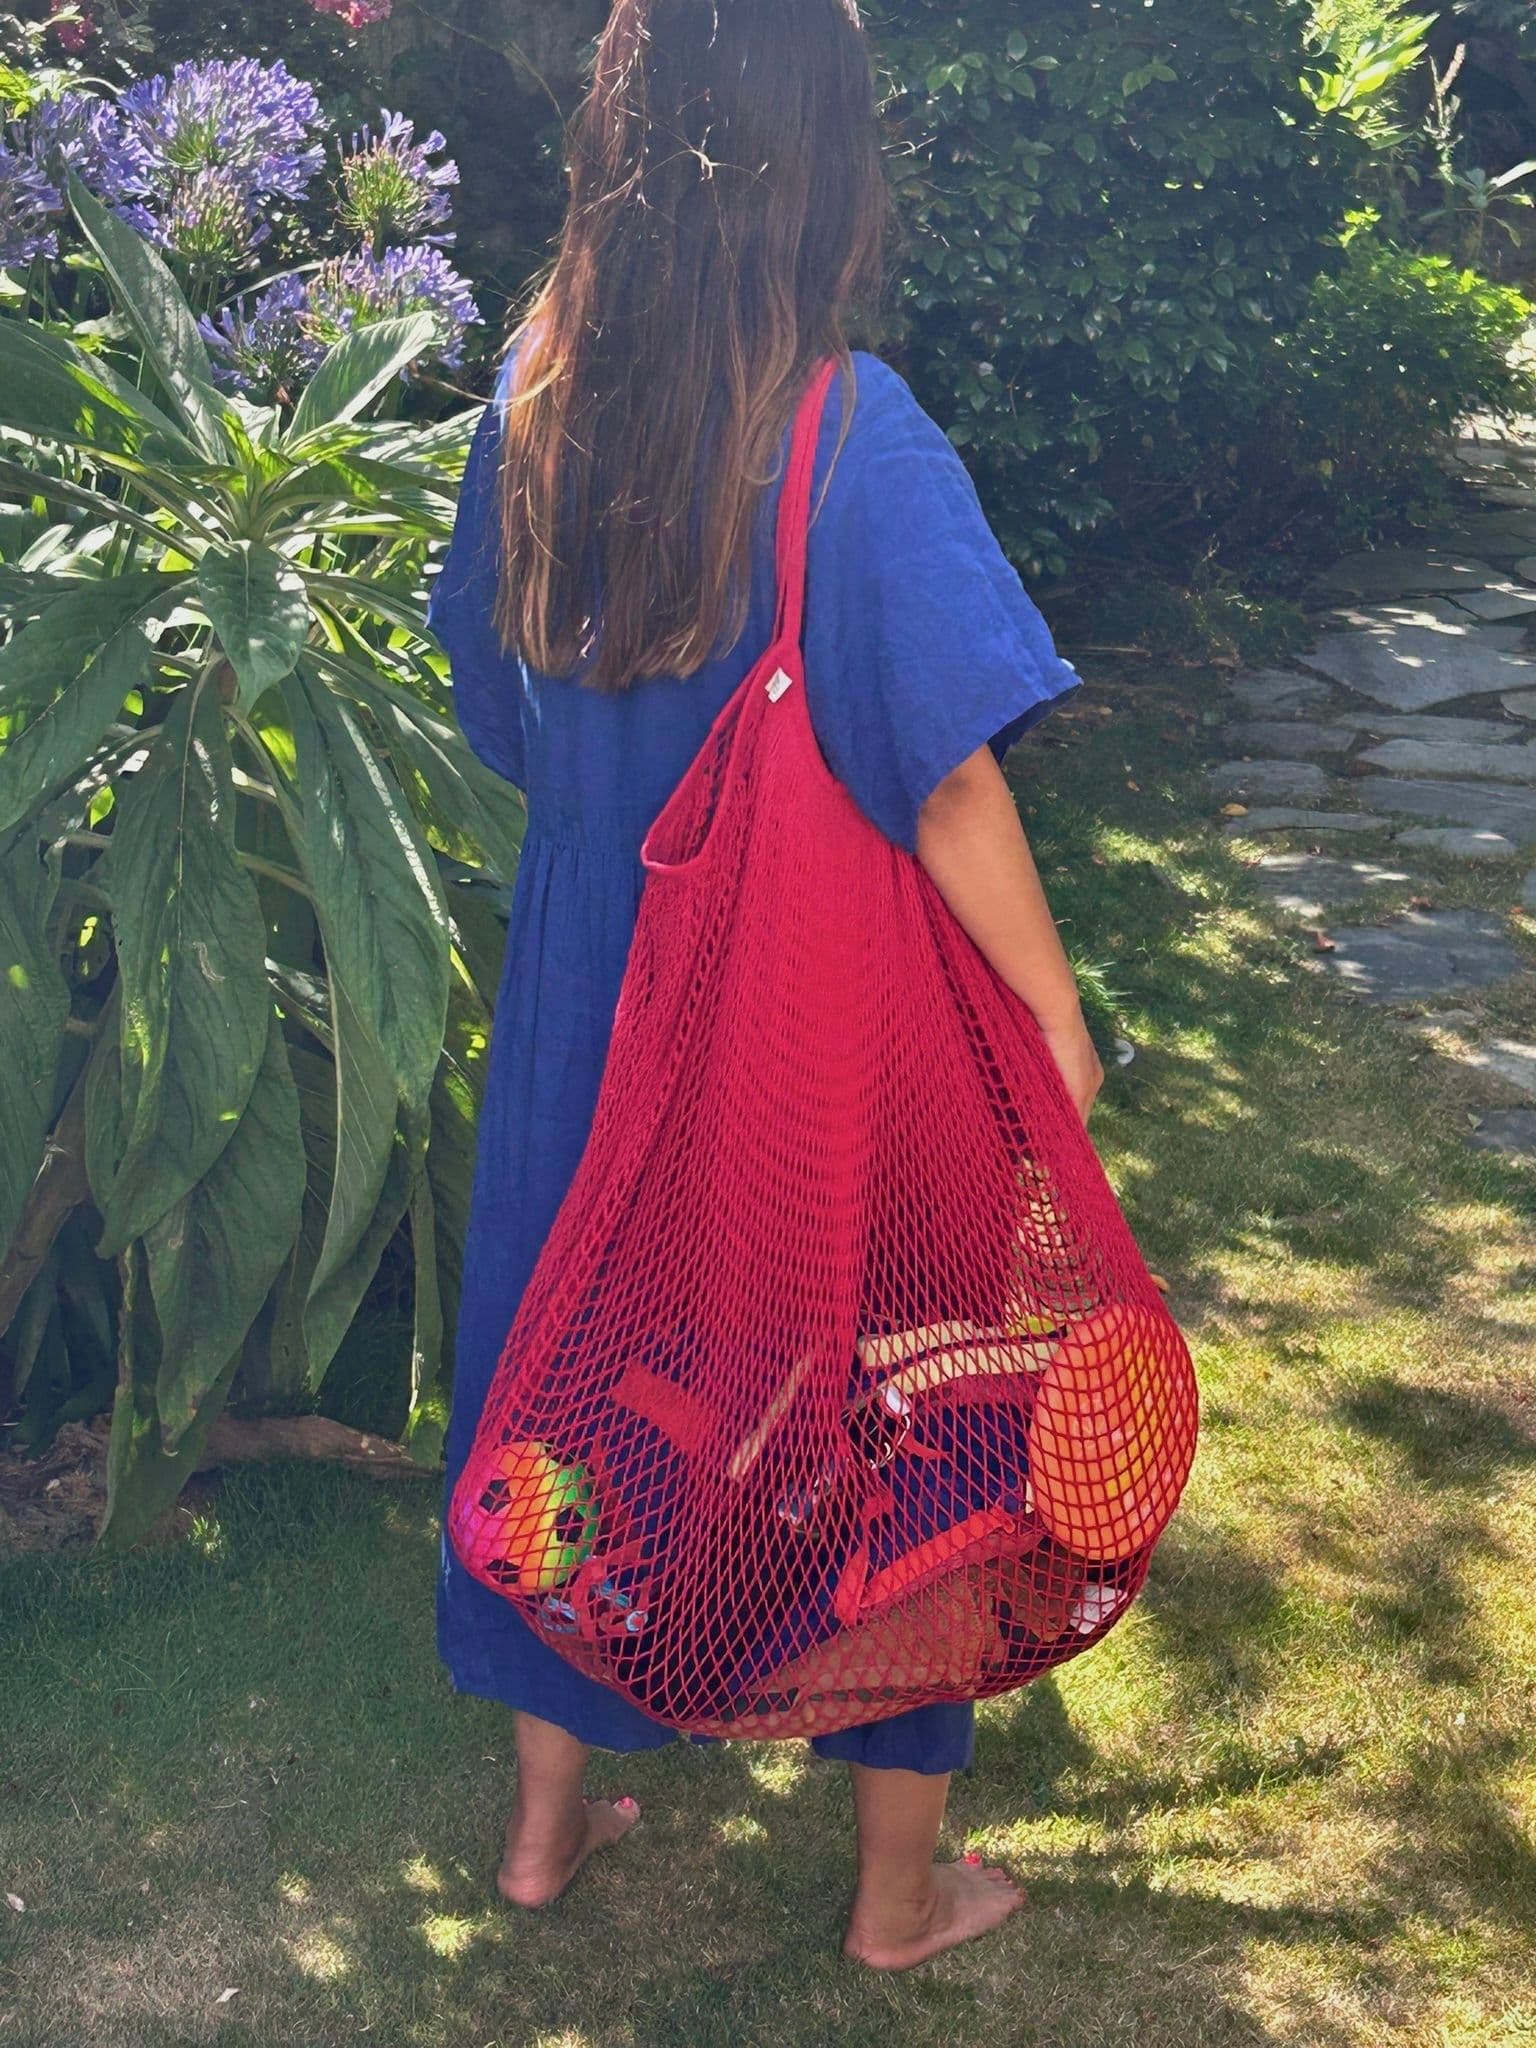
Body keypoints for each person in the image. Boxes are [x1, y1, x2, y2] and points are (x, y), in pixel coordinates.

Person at [430, 0, 1101, 1973]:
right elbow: (951, 766)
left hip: (582, 999)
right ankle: (900, 1893)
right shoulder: (841, 427)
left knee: (568, 1376)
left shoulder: (532, 393)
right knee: (904, 1406)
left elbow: (495, 705)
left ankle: (548, 1824)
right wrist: (1055, 1020)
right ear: (819, 157)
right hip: (803, 1027)